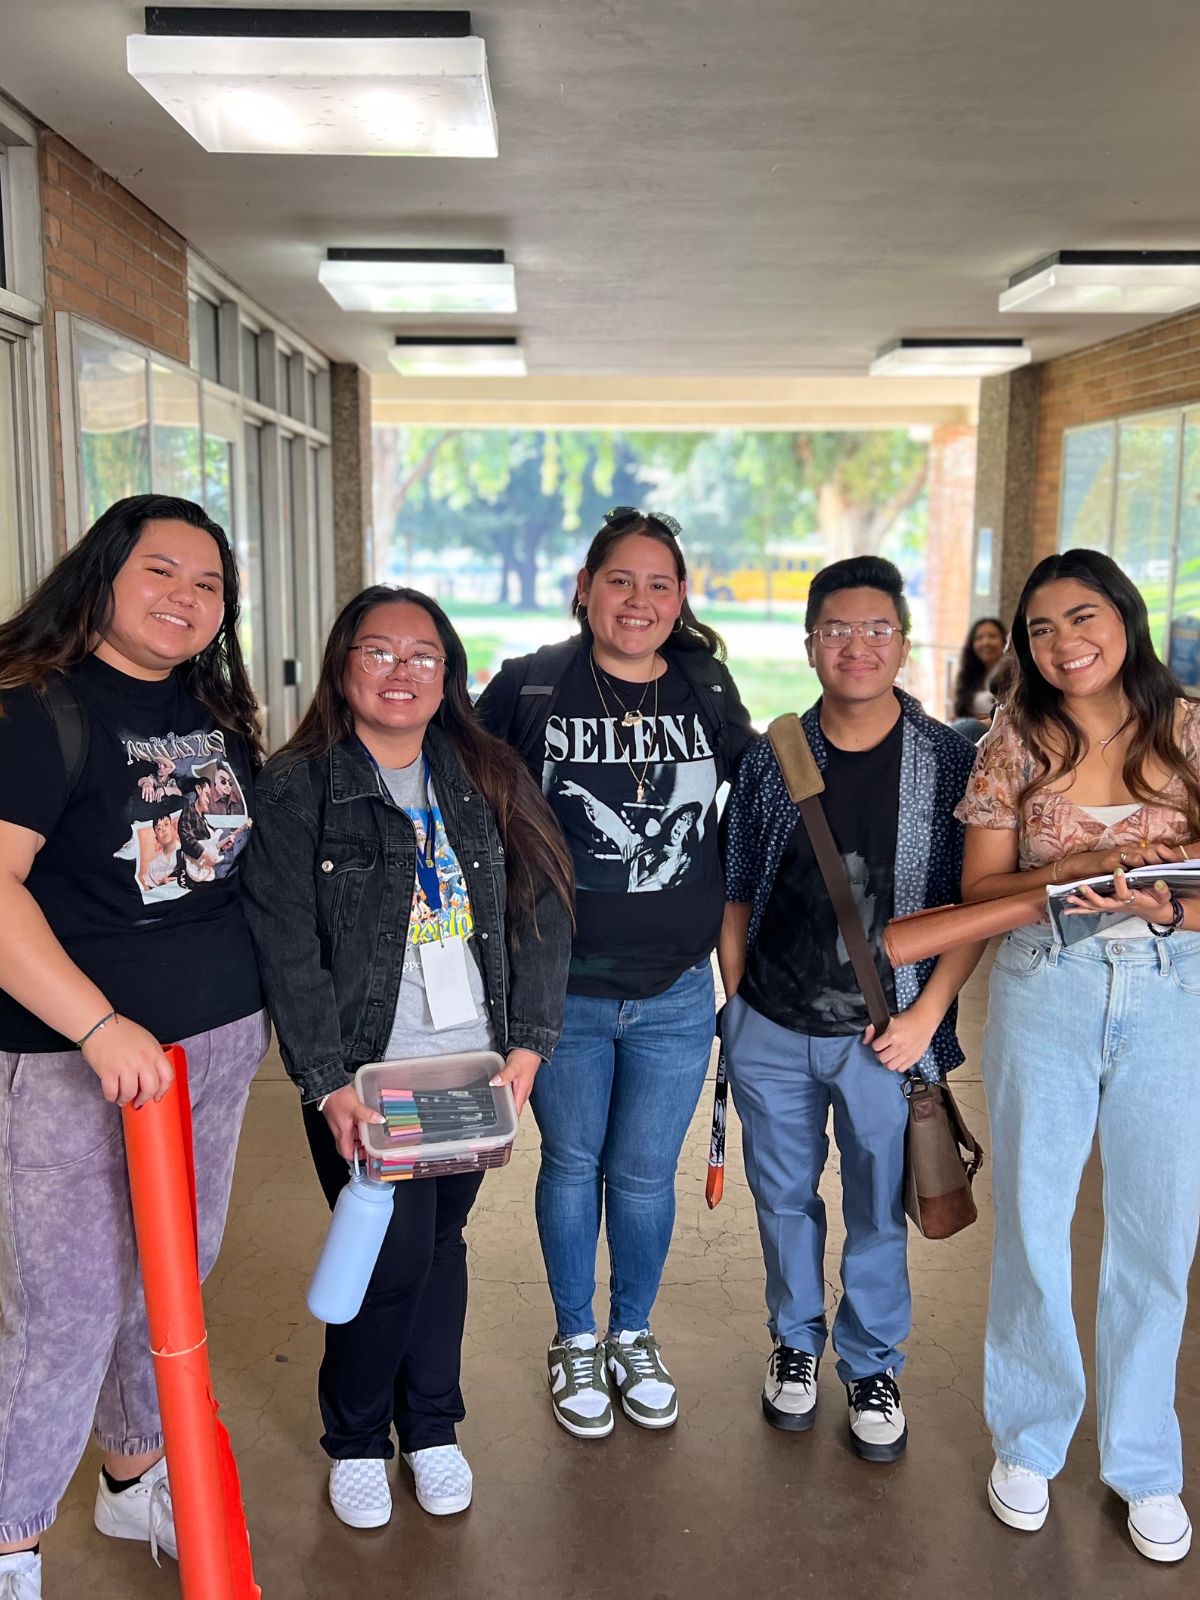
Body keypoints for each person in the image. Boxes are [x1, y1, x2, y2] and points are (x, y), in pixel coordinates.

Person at [242, 586, 572, 1532]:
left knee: (436, 1245)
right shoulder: (298, 786)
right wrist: (326, 1084)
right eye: (378, 652)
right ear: (344, 665)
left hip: (473, 1070)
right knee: (389, 1259)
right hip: (364, 1075)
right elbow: (287, 947)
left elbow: (543, 906)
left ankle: (429, 1429)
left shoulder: (484, 770)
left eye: (422, 654)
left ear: (449, 672)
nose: (401, 671)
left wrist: (529, 1044)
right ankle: (355, 1439)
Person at [0, 494, 268, 1599]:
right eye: (163, 571)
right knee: (63, 1303)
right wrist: (100, 1024)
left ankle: (130, 1472)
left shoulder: (214, 710)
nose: (186, 598)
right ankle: (11, 1536)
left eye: (208, 585)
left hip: (215, 1047)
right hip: (79, 1059)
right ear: (103, 575)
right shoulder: (36, 710)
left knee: (171, 1284)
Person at [477, 506, 753, 1439]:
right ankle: (575, 1337)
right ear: (585, 589)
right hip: (560, 996)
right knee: (572, 1163)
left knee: (641, 1176)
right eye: (620, 581)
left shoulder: (708, 690)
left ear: (681, 600)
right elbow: (461, 804)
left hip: (676, 991)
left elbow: (753, 816)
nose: (638, 600)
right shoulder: (528, 688)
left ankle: (632, 1331)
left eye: (659, 584)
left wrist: (745, 977)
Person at [958, 549, 1200, 1563]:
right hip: (1041, 990)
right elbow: (979, 892)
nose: (1064, 642)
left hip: (1171, 992)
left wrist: (1170, 899)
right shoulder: (1014, 738)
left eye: (1083, 616)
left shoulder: (1188, 725)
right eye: (1042, 628)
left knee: (1158, 1231)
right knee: (1034, 1219)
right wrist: (1078, 867)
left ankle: (1144, 1461)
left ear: (1127, 617)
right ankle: (1028, 1435)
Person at [718, 555, 979, 1462]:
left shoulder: (949, 761)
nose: (856, 647)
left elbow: (969, 910)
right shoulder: (773, 754)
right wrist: (739, 1001)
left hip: (889, 1036)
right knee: (783, 1199)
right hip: (772, 1028)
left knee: (876, 1205)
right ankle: (795, 1344)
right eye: (837, 630)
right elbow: (738, 886)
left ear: (903, 644)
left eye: (876, 630)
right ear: (810, 644)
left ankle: (873, 1362)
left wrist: (927, 1020)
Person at [949, 616, 1007, 739]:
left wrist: (985, 721)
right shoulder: (967, 676)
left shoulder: (1013, 673)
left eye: (992, 636)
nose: (986, 642)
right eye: (979, 638)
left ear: (1004, 641)